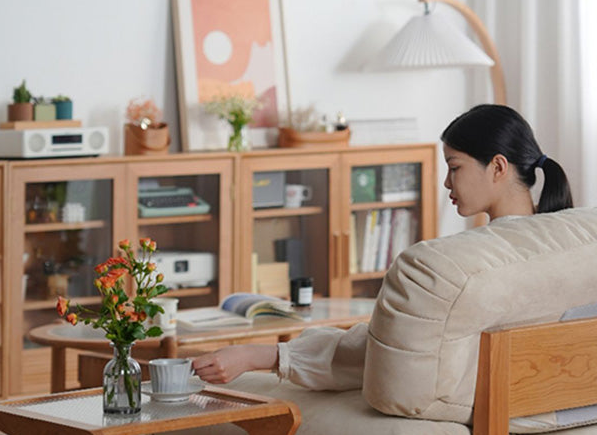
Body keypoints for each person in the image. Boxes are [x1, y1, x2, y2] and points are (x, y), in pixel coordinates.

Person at [193, 104, 573, 388]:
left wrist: (259, 354)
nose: (446, 183)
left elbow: (384, 353)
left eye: (454, 167)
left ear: (498, 167)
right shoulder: (571, 238)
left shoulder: (466, 262)